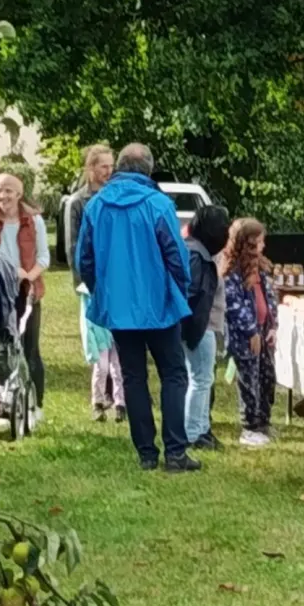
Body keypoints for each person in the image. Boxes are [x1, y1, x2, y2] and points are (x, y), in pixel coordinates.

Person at [75, 143, 200, 473]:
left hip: (118, 306)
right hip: (159, 304)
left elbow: (83, 258)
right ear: (148, 169)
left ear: (118, 167)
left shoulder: (97, 205)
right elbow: (176, 255)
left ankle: (146, 453)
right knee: (173, 375)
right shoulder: (158, 204)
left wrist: (100, 290)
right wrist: (182, 291)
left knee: (133, 378)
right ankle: (175, 452)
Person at [0, 173, 50, 429]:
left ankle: (35, 406)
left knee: (29, 349)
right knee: (3, 349)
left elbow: (44, 258)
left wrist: (28, 275)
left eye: (8, 191)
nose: (3, 196)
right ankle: (2, 407)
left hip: (27, 293)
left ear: (19, 194)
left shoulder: (33, 220)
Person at [68, 145, 125, 422]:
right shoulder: (78, 202)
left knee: (117, 345)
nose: (109, 171)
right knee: (100, 345)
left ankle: (119, 399)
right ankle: (99, 398)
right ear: (91, 169)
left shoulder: (115, 198)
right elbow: (73, 246)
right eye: (104, 166)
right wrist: (84, 282)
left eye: (111, 166)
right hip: (92, 284)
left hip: (115, 281)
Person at [224, 217, 278, 447]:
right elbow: (234, 305)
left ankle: (264, 421)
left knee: (267, 377)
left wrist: (273, 325)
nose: (263, 245)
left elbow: (269, 298)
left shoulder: (261, 267)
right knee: (249, 380)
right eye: (260, 241)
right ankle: (250, 426)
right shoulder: (232, 272)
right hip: (245, 337)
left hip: (264, 332)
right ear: (248, 242)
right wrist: (250, 331)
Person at [182, 206, 231, 451]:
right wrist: (194, 331)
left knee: (204, 378)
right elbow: (192, 296)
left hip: (204, 326)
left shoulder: (198, 253)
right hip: (200, 327)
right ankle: (192, 432)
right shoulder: (196, 256)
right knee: (200, 380)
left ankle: (201, 428)